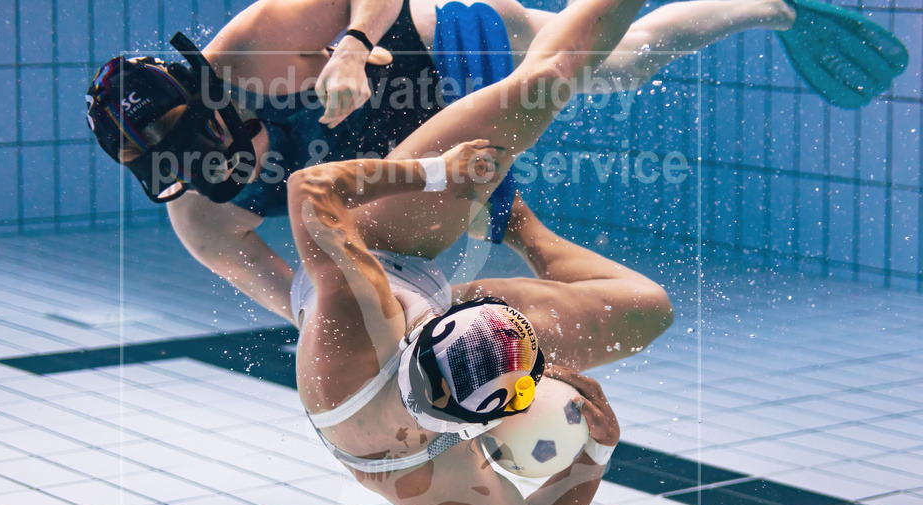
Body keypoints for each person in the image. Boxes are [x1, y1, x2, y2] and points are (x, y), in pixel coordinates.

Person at [85, 0, 822, 322]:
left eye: (207, 140)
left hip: (440, 49)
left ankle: (767, 6)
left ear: (205, 86)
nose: (221, 166)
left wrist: (350, 46)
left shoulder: (259, 45)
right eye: (191, 166)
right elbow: (311, 310)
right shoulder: (203, 220)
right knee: (425, 257)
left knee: (618, 65)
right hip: (402, 159)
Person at [285, 0, 676, 505]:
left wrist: (441, 173)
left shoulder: (360, 311)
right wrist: (595, 456)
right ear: (485, 425)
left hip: (380, 249)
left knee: (546, 81)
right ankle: (516, 221)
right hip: (414, 324)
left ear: (426, 331)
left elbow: (309, 191)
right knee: (647, 309)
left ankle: (508, 215)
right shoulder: (434, 476)